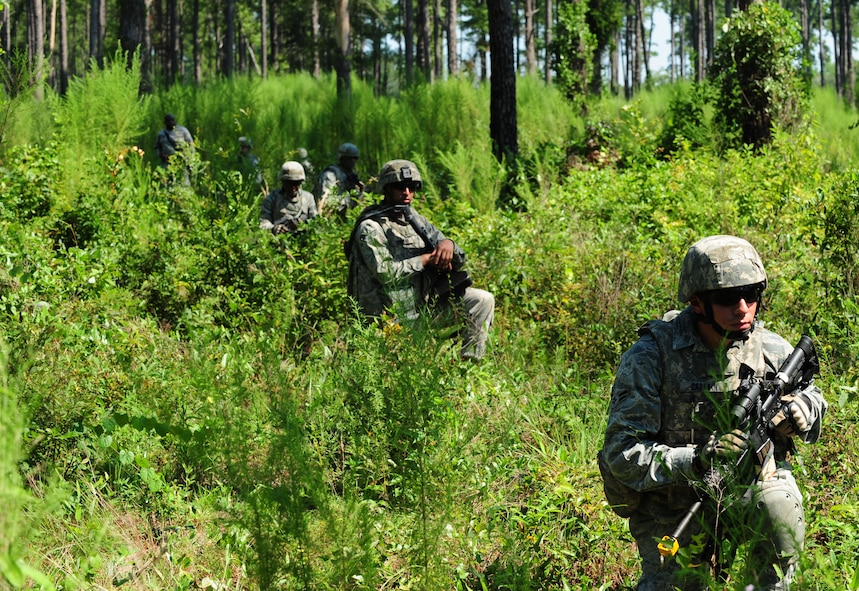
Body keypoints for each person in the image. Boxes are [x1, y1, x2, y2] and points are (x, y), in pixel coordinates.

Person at [599, 235, 827, 591]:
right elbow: (622, 453)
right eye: (726, 298)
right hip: (673, 504)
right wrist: (695, 460)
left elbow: (814, 395)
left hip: (745, 491)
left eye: (751, 294)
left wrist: (803, 410)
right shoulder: (651, 356)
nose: (742, 307)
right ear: (697, 302)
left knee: (781, 504)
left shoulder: (769, 348)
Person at [345, 159, 494, 360]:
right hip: (388, 319)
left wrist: (449, 245)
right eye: (400, 187)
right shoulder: (371, 227)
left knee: (482, 300)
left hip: (424, 308)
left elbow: (457, 257)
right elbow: (385, 273)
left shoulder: (414, 219)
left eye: (412, 187)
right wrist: (425, 260)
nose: (406, 192)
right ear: (386, 189)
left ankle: (469, 365)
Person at [259, 161, 317, 235]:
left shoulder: (308, 198)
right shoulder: (272, 198)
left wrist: (303, 227)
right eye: (289, 184)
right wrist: (274, 229)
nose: (293, 188)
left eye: (296, 184)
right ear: (283, 182)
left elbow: (315, 223)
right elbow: (263, 222)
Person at [315, 142, 363, 217]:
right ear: (342, 158)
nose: (353, 161)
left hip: (348, 215)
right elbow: (325, 200)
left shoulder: (352, 174)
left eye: (355, 158)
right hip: (333, 215)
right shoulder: (330, 175)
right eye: (349, 158)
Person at [153, 113, 194, 185]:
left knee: (183, 183)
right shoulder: (161, 134)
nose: (170, 122)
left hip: (181, 163)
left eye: (172, 120)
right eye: (168, 121)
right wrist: (161, 155)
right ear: (165, 122)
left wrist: (188, 159)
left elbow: (191, 146)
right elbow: (156, 147)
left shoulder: (183, 131)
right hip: (166, 163)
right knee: (167, 184)